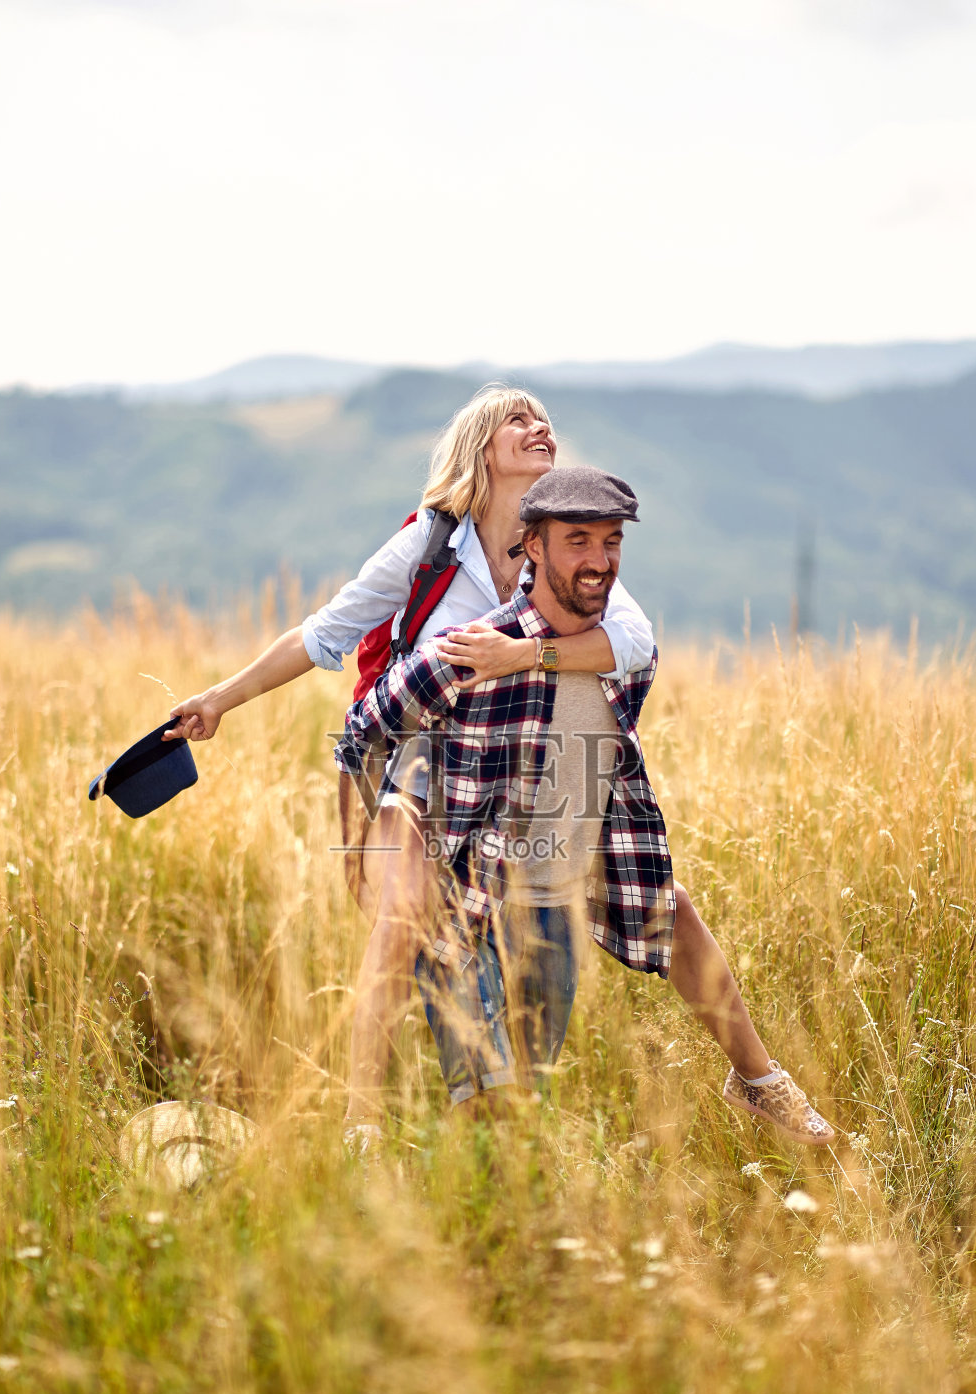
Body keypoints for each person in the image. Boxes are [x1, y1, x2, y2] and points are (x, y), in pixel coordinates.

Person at [163, 385, 656, 1125]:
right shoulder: (430, 543)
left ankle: (498, 1112)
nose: (538, 428)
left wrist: (522, 655)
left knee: (529, 952)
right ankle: (361, 1124)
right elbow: (323, 634)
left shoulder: (558, 542)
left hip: (521, 765)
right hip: (422, 754)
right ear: (479, 448)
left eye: (544, 420)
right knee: (398, 929)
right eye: (516, 420)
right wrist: (219, 699)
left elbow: (631, 644)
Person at [335, 466, 835, 1146]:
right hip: (468, 900)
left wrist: (533, 657)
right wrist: (361, 851)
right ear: (532, 547)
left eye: (610, 542)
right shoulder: (466, 654)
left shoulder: (622, 654)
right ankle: (364, 1141)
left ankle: (757, 1082)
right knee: (492, 1105)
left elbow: (628, 668)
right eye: (578, 541)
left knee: (535, 1090)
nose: (598, 561)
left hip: (561, 890)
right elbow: (361, 734)